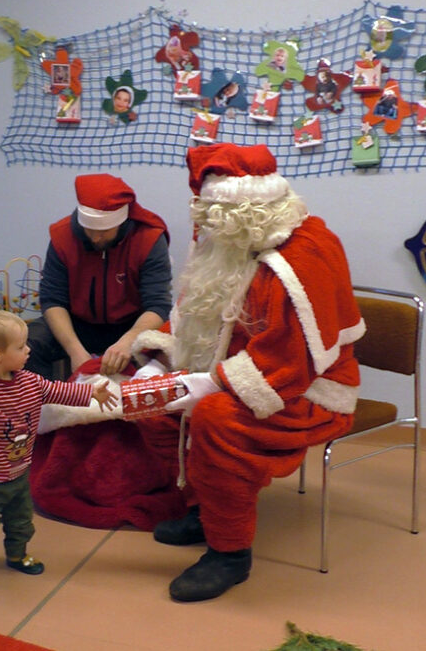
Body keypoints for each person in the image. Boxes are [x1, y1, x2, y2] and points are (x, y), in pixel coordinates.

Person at [130, 143, 364, 602]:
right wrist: (159, 365)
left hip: (307, 388)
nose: (205, 225)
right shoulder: (225, 242)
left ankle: (230, 553)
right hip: (233, 371)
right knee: (154, 406)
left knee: (217, 419)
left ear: (246, 210)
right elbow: (192, 314)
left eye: (215, 215)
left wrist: (197, 386)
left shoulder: (303, 256)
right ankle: (204, 510)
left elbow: (285, 366)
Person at [0, 310, 115, 589]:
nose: (29, 350)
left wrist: (91, 392)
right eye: (21, 346)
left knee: (22, 521)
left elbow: (59, 390)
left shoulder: (31, 382)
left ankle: (16, 555)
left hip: (19, 473)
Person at [26, 172, 172, 378]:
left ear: (120, 223)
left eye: (103, 232)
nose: (95, 238)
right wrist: (75, 351)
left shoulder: (148, 238)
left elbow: (158, 306)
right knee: (27, 345)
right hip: (77, 323)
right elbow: (52, 300)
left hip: (131, 324)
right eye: (89, 230)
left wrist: (128, 341)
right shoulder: (62, 237)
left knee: (168, 347)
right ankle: (41, 398)